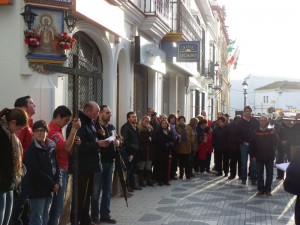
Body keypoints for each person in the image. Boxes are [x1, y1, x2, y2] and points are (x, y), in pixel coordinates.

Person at [67, 101, 110, 225]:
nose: (97, 115)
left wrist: (100, 140)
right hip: (81, 166)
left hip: (90, 165)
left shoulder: (90, 122)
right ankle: (76, 220)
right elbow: (79, 146)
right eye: (96, 113)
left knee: (87, 195)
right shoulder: (78, 123)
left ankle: (85, 219)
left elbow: (91, 140)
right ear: (87, 111)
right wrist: (97, 144)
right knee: (80, 196)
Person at [47, 106, 81, 225]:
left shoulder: (58, 130)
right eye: (65, 120)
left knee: (58, 206)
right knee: (56, 207)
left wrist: (74, 141)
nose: (66, 124)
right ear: (58, 116)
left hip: (62, 169)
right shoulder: (52, 131)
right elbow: (65, 147)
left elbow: (67, 150)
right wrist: (74, 130)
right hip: (58, 170)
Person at [23, 120, 62, 225]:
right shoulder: (31, 150)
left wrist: (59, 182)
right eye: (36, 131)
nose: (39, 133)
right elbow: (34, 171)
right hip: (37, 190)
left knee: (45, 217)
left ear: (47, 132)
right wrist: (52, 183)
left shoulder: (50, 148)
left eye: (42, 130)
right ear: (33, 133)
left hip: (49, 190)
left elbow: (56, 167)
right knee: (36, 219)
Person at [91, 105, 119, 224]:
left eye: (110, 113)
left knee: (107, 190)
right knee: (96, 191)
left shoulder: (111, 126)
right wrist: (100, 135)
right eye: (107, 113)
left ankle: (105, 214)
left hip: (110, 161)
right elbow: (93, 142)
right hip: (99, 162)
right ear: (100, 114)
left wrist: (118, 142)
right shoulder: (95, 126)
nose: (110, 115)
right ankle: (95, 216)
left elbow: (115, 138)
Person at [0, 108, 28, 225]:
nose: (18, 132)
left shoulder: (12, 137)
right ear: (13, 122)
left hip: (10, 184)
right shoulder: (2, 134)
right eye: (18, 128)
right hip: (2, 183)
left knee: (6, 220)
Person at [12, 96, 36, 225]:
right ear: (23, 108)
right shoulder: (21, 126)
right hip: (21, 168)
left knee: (25, 202)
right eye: (31, 103)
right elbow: (18, 148)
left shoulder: (29, 125)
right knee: (19, 202)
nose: (34, 105)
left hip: (28, 168)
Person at [249, 116, 276, 196]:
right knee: (259, 174)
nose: (262, 122)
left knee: (270, 174)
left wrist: (274, 134)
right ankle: (260, 189)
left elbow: (276, 142)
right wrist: (253, 155)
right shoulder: (255, 132)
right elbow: (252, 144)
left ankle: (268, 190)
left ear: (267, 122)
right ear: (259, 122)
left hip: (269, 156)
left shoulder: (271, 131)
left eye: (264, 120)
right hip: (259, 156)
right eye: (261, 120)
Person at [237, 106, 259, 185]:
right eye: (246, 111)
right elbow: (237, 134)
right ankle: (243, 178)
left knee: (253, 163)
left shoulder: (255, 121)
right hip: (244, 144)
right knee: (244, 163)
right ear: (244, 112)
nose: (248, 113)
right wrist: (243, 142)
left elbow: (258, 131)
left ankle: (253, 178)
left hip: (253, 145)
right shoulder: (240, 122)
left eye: (249, 111)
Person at [120, 112, 142, 192]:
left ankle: (133, 185)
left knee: (134, 169)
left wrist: (139, 147)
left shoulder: (136, 127)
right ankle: (128, 186)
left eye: (135, 117)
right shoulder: (125, 127)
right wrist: (132, 150)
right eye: (133, 117)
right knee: (128, 169)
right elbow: (125, 141)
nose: (135, 118)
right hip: (129, 152)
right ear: (128, 118)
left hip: (136, 152)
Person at [155, 120, 175, 185]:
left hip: (168, 152)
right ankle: (160, 180)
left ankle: (166, 180)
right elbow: (158, 142)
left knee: (167, 166)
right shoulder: (158, 132)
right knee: (160, 166)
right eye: (163, 123)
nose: (164, 125)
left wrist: (170, 144)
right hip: (160, 152)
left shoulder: (169, 132)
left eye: (165, 123)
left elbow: (172, 139)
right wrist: (165, 144)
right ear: (161, 124)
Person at [137, 116, 155, 187]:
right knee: (141, 166)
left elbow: (153, 138)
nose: (147, 123)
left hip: (149, 151)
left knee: (148, 166)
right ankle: (141, 181)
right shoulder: (140, 129)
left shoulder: (150, 129)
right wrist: (148, 139)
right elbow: (142, 140)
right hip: (143, 151)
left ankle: (148, 180)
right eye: (145, 121)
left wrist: (150, 132)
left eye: (148, 122)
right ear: (142, 122)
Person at [226, 115, 242, 180]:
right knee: (233, 162)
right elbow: (226, 135)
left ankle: (239, 175)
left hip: (240, 146)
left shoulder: (241, 125)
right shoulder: (229, 126)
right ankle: (233, 174)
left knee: (240, 162)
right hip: (232, 146)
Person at [168, 114, 180, 180]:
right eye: (171, 118)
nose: (173, 119)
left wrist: (178, 137)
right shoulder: (168, 126)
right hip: (170, 147)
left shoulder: (176, 127)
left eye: (174, 118)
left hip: (176, 146)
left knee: (175, 161)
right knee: (170, 161)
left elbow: (178, 135)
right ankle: (169, 174)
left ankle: (173, 173)